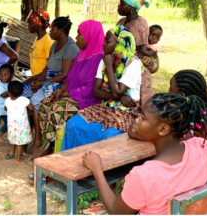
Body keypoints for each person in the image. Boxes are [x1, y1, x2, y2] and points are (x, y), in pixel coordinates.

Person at [82, 93, 207, 215]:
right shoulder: (204, 148)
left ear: (163, 130)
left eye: (143, 117)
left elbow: (116, 211)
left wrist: (97, 169)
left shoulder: (143, 176)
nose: (137, 120)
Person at [62, 25, 143, 151]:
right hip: (105, 106)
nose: (103, 44)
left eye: (108, 41)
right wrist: (119, 96)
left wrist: (109, 67)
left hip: (126, 110)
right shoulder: (105, 60)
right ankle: (69, 161)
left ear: (120, 43)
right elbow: (96, 92)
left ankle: (100, 167)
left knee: (109, 135)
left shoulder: (133, 64)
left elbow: (116, 92)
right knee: (73, 124)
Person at [38, 20, 104, 150]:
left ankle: (54, 147)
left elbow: (91, 89)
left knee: (57, 109)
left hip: (87, 100)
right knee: (44, 104)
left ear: (90, 35)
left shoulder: (98, 58)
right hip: (72, 94)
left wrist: (68, 93)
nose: (76, 37)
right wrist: (61, 90)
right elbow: (70, 77)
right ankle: (49, 143)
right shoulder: (81, 54)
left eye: (80, 34)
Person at [22, 16, 79, 154]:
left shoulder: (70, 48)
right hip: (47, 78)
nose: (50, 30)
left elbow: (64, 75)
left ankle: (39, 140)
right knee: (22, 96)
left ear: (61, 31)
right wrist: (37, 81)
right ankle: (25, 136)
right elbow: (47, 68)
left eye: (53, 29)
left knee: (35, 101)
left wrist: (43, 83)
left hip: (57, 82)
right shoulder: (55, 44)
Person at [117, 0, 156, 105]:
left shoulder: (140, 23)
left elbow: (140, 49)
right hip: (121, 65)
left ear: (132, 8)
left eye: (122, 4)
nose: (118, 6)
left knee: (139, 104)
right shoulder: (121, 21)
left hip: (136, 70)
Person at [5, 81, 34, 165]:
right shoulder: (24, 100)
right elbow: (32, 108)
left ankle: (11, 152)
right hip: (21, 126)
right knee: (19, 143)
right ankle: (18, 159)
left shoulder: (7, 100)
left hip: (11, 125)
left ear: (9, 92)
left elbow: (5, 109)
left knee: (14, 139)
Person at [0, 64, 14, 144]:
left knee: (9, 123)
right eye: (0, 75)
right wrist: (13, 90)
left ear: (12, 75)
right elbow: (3, 95)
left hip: (7, 108)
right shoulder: (0, 85)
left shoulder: (13, 82)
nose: (2, 77)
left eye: (6, 75)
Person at [27, 10, 53, 76]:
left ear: (38, 24)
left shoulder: (47, 42)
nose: (28, 25)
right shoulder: (37, 39)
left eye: (30, 22)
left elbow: (50, 67)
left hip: (41, 81)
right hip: (35, 78)